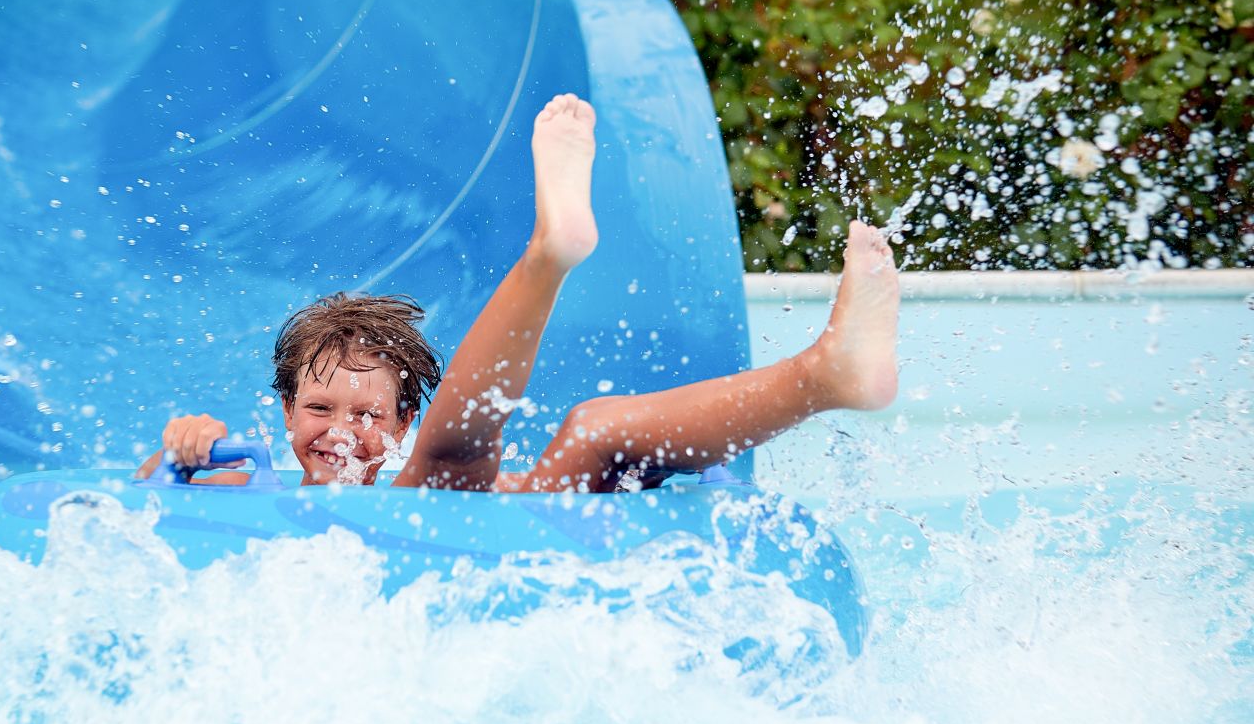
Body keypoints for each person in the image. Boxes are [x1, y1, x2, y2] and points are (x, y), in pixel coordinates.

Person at [135, 93, 898, 494]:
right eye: (320, 409)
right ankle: (823, 373)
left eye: (369, 414)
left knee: (568, 436)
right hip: (442, 500)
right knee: (513, 446)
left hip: (453, 509)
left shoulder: (417, 472)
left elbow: (482, 476)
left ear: (404, 421)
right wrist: (182, 447)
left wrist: (515, 486)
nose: (341, 431)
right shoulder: (249, 480)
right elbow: (142, 501)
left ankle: (825, 372)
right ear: (285, 411)